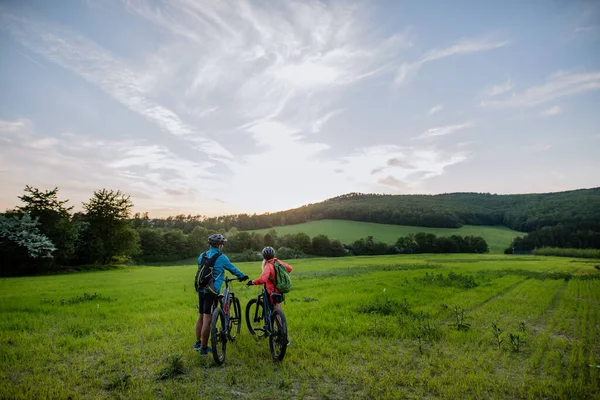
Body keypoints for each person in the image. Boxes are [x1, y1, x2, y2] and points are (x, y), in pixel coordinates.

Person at [195, 233, 248, 354]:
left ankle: (197, 342)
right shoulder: (222, 257)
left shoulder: (201, 255)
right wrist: (241, 276)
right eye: (222, 244)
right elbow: (233, 269)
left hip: (201, 289)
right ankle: (203, 348)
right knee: (208, 319)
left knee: (201, 316)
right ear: (219, 245)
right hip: (211, 291)